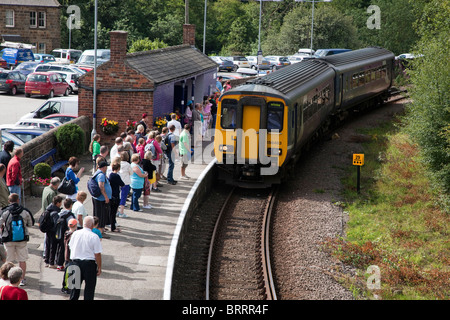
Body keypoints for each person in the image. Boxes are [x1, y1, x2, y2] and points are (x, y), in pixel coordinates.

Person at [0, 193, 34, 286]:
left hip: (8, 239)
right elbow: (31, 223)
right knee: (22, 260)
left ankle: (8, 279)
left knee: (9, 261)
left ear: (8, 201)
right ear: (18, 200)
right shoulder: (24, 211)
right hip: (22, 239)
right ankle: (22, 279)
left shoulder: (5, 211)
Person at [68, 216, 102, 300]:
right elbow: (97, 254)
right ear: (92, 225)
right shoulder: (94, 237)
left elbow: (70, 247)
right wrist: (99, 267)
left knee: (74, 291)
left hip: (75, 263)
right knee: (89, 291)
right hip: (89, 264)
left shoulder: (75, 234)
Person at [55, 198, 76, 270]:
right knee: (66, 249)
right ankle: (65, 264)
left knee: (60, 248)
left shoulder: (60, 213)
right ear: (71, 205)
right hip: (67, 235)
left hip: (60, 233)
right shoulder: (70, 215)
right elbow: (71, 225)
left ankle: (59, 264)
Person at [92, 161, 111, 236]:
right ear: (103, 167)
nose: (107, 168)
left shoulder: (98, 173)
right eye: (106, 166)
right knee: (101, 216)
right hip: (101, 199)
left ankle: (100, 230)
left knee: (98, 215)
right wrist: (106, 197)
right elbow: (101, 186)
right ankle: (100, 233)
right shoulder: (101, 175)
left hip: (98, 198)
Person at [43, 195, 63, 269]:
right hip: (52, 231)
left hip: (48, 230)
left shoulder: (48, 209)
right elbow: (56, 223)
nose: (61, 204)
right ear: (57, 203)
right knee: (53, 247)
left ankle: (47, 261)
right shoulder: (55, 212)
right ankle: (51, 263)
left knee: (48, 245)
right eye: (60, 202)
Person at [61, 218, 78, 294]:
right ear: (76, 225)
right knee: (71, 272)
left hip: (66, 255)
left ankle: (65, 287)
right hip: (72, 256)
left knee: (67, 272)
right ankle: (67, 287)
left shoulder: (66, 233)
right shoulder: (74, 235)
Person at [108, 162, 124, 231]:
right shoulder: (117, 176)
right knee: (113, 212)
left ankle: (111, 225)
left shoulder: (110, 175)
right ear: (118, 168)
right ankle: (113, 227)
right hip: (116, 195)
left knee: (111, 211)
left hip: (111, 195)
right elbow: (122, 183)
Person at [118, 152, 132, 218]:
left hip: (118, 181)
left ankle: (117, 211)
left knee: (118, 196)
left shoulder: (118, 163)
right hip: (125, 182)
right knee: (123, 197)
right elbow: (131, 172)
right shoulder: (128, 164)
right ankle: (121, 212)